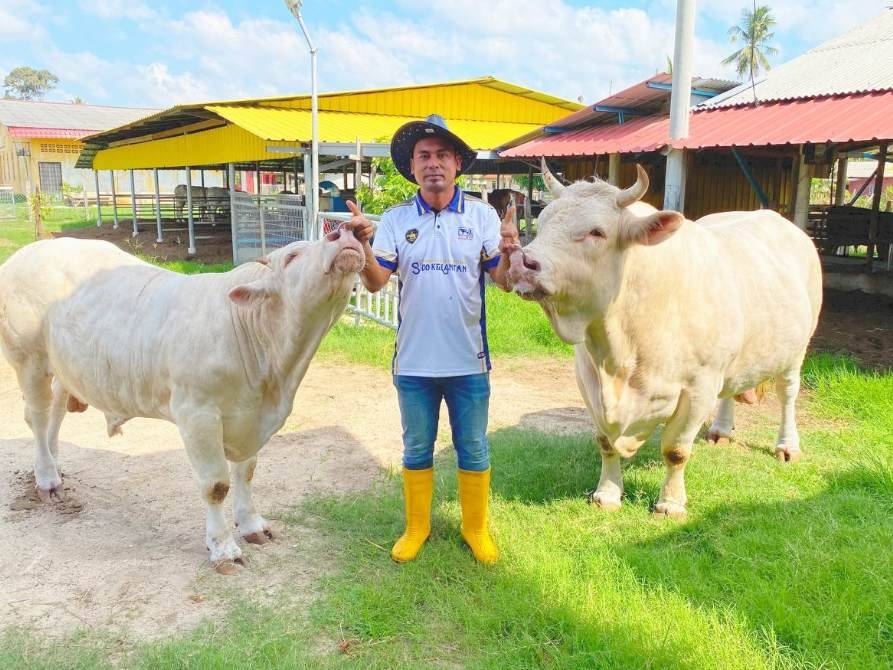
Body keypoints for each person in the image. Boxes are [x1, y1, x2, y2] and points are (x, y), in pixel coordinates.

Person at [345, 114, 518, 564]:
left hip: (468, 361)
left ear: (457, 163)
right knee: (416, 448)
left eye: (442, 154)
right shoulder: (398, 219)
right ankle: (417, 526)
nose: (433, 163)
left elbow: (500, 280)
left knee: (474, 447)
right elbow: (376, 282)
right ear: (413, 166)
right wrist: (363, 245)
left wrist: (511, 253)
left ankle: (475, 528)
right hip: (415, 365)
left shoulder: (481, 216)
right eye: (424, 156)